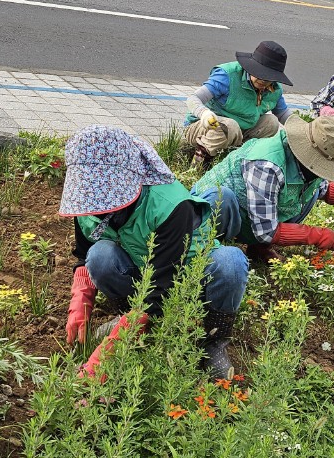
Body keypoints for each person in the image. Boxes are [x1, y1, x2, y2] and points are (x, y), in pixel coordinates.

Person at [60, 125, 248, 380]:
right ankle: (132, 317)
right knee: (99, 255)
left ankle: (213, 343)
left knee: (231, 262)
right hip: (140, 270)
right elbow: (83, 255)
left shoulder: (170, 205)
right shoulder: (86, 202)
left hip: (186, 273)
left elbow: (162, 285)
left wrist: (106, 357)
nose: (97, 207)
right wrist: (79, 305)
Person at [191, 114, 334, 257]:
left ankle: (258, 250)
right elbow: (266, 230)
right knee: (223, 198)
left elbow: (323, 189)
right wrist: (318, 236)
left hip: (252, 214)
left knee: (309, 195)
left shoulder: (308, 166)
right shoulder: (267, 165)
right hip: (217, 211)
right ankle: (207, 253)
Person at [183, 41, 293, 167]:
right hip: (204, 127)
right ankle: (198, 165)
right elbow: (193, 98)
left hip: (239, 132)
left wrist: (303, 129)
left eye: (269, 77)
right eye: (260, 74)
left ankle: (241, 158)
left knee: (271, 122)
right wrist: (204, 114)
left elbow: (283, 114)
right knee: (230, 125)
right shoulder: (227, 76)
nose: (263, 81)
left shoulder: (274, 89)